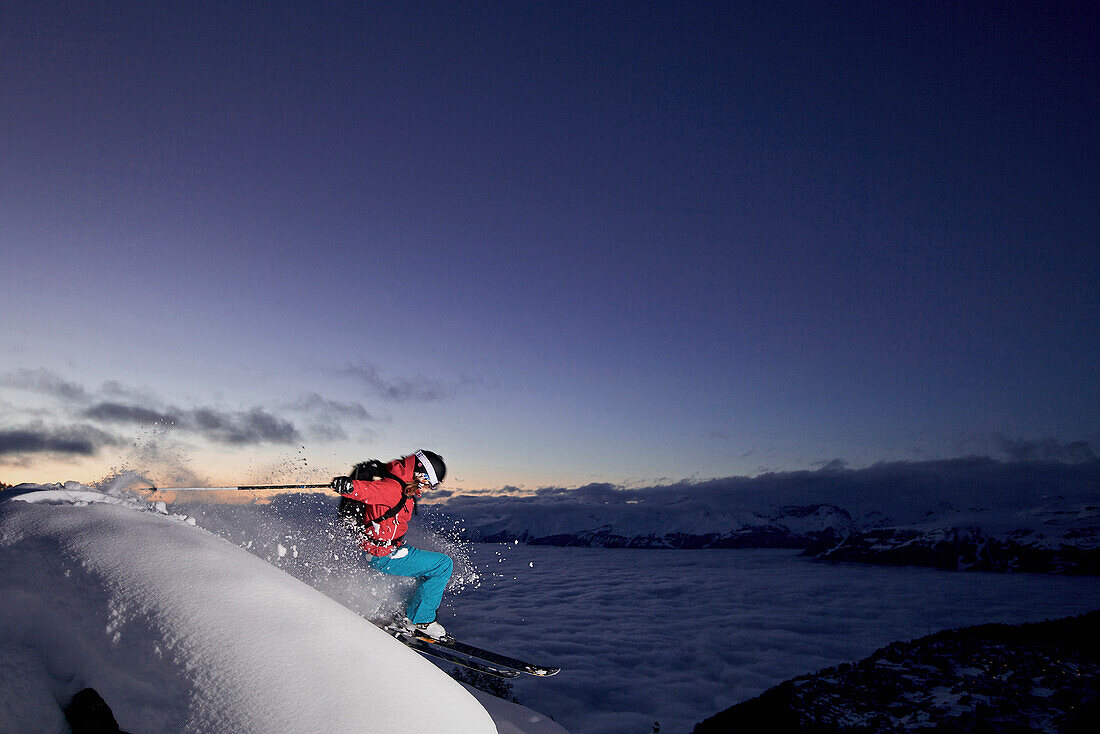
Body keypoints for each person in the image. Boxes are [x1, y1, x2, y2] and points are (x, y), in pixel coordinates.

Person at [330, 450, 453, 639]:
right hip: (385, 554)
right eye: (430, 482)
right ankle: (421, 620)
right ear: (421, 473)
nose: (429, 487)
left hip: (389, 550)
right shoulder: (393, 488)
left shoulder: (400, 483)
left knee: (428, 570)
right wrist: (349, 487)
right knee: (442, 565)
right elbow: (368, 491)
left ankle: (410, 613)